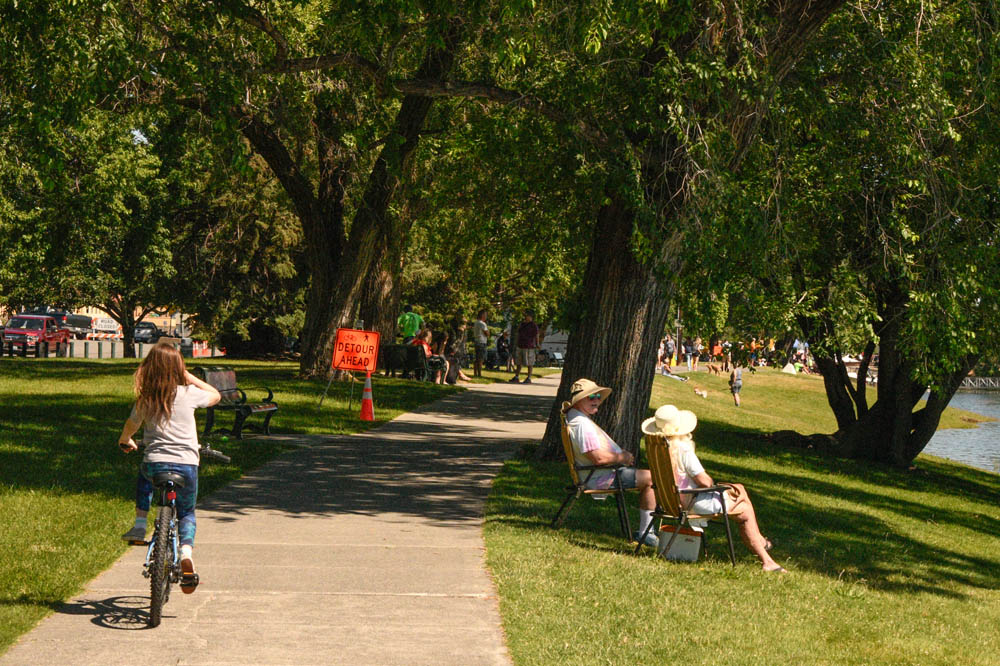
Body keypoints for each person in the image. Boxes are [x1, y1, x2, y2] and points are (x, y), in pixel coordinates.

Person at [117, 341, 222, 593]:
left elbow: (131, 425)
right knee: (186, 512)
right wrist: (188, 376)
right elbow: (216, 395)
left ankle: (140, 524)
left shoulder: (146, 398)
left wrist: (125, 439)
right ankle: (186, 553)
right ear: (178, 369)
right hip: (186, 464)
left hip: (155, 463)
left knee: (145, 478)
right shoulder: (189, 394)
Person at [641, 405, 786, 572]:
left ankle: (760, 541)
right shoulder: (682, 449)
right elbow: (705, 482)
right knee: (745, 509)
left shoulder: (657, 449)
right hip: (693, 501)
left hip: (670, 501)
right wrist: (711, 483)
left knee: (739, 489)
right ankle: (766, 559)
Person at [564, 378, 658, 547]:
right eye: (591, 397)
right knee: (651, 479)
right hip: (600, 477)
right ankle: (647, 533)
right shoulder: (581, 424)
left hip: (599, 473)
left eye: (598, 396)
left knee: (649, 476)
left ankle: (648, 531)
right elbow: (598, 458)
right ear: (579, 401)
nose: (596, 400)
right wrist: (622, 458)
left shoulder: (575, 417)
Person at [509, 311, 540, 384]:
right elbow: (518, 333)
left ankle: (529, 377)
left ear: (530, 317)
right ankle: (516, 377)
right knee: (518, 362)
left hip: (529, 346)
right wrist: (516, 343)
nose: (525, 317)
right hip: (520, 345)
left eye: (527, 316)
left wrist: (537, 344)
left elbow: (537, 335)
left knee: (529, 363)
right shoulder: (522, 324)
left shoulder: (533, 325)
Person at [473, 310, 490, 378]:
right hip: (482, 342)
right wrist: (488, 332)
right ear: (482, 315)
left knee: (477, 359)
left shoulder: (476, 322)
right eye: (485, 315)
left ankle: (475, 373)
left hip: (477, 341)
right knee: (480, 359)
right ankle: (479, 373)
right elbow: (487, 333)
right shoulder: (482, 324)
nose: (486, 317)